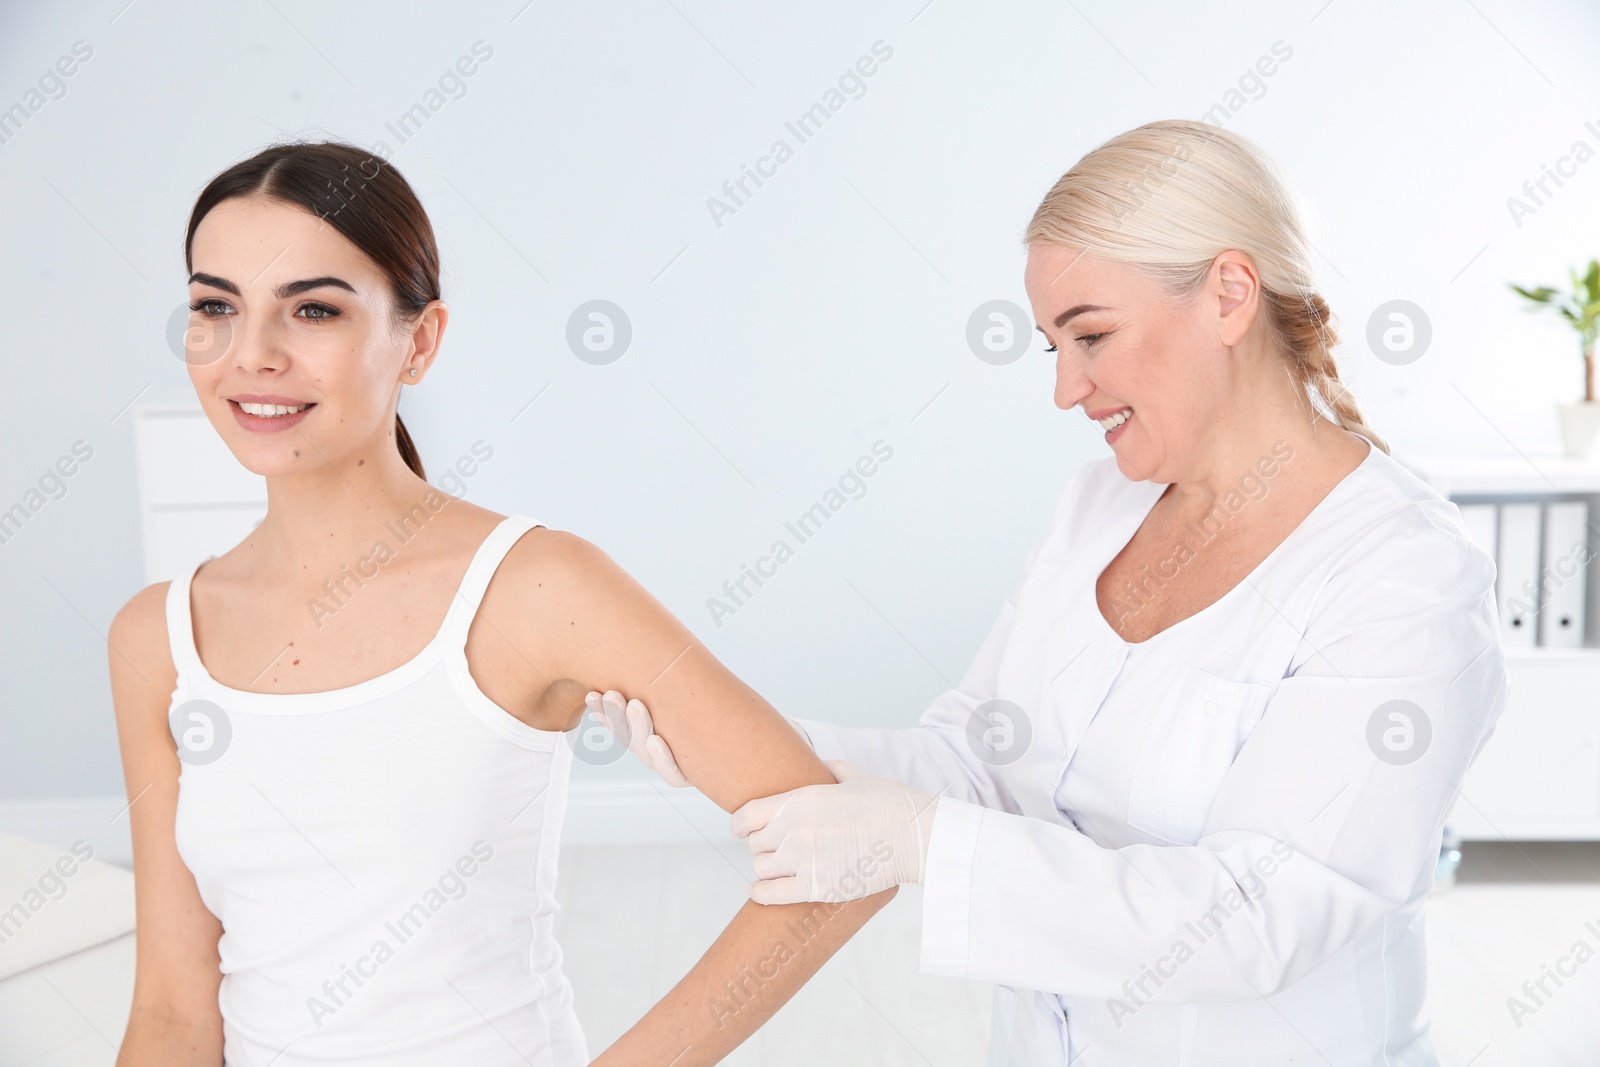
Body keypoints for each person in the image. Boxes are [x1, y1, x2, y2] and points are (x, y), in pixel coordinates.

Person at [595, 118, 1509, 1065]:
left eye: (1093, 336)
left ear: (1230, 293)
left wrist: (925, 843)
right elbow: (979, 755)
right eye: (1052, 348)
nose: (1068, 390)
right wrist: (746, 740)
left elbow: (1259, 914)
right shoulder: (1098, 509)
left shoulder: (1404, 574)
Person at [107, 140, 894, 1067]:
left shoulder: (533, 586)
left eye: (312, 308)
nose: (253, 355)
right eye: (215, 308)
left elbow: (847, 860)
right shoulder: (156, 636)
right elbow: (170, 1010)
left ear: (421, 340)